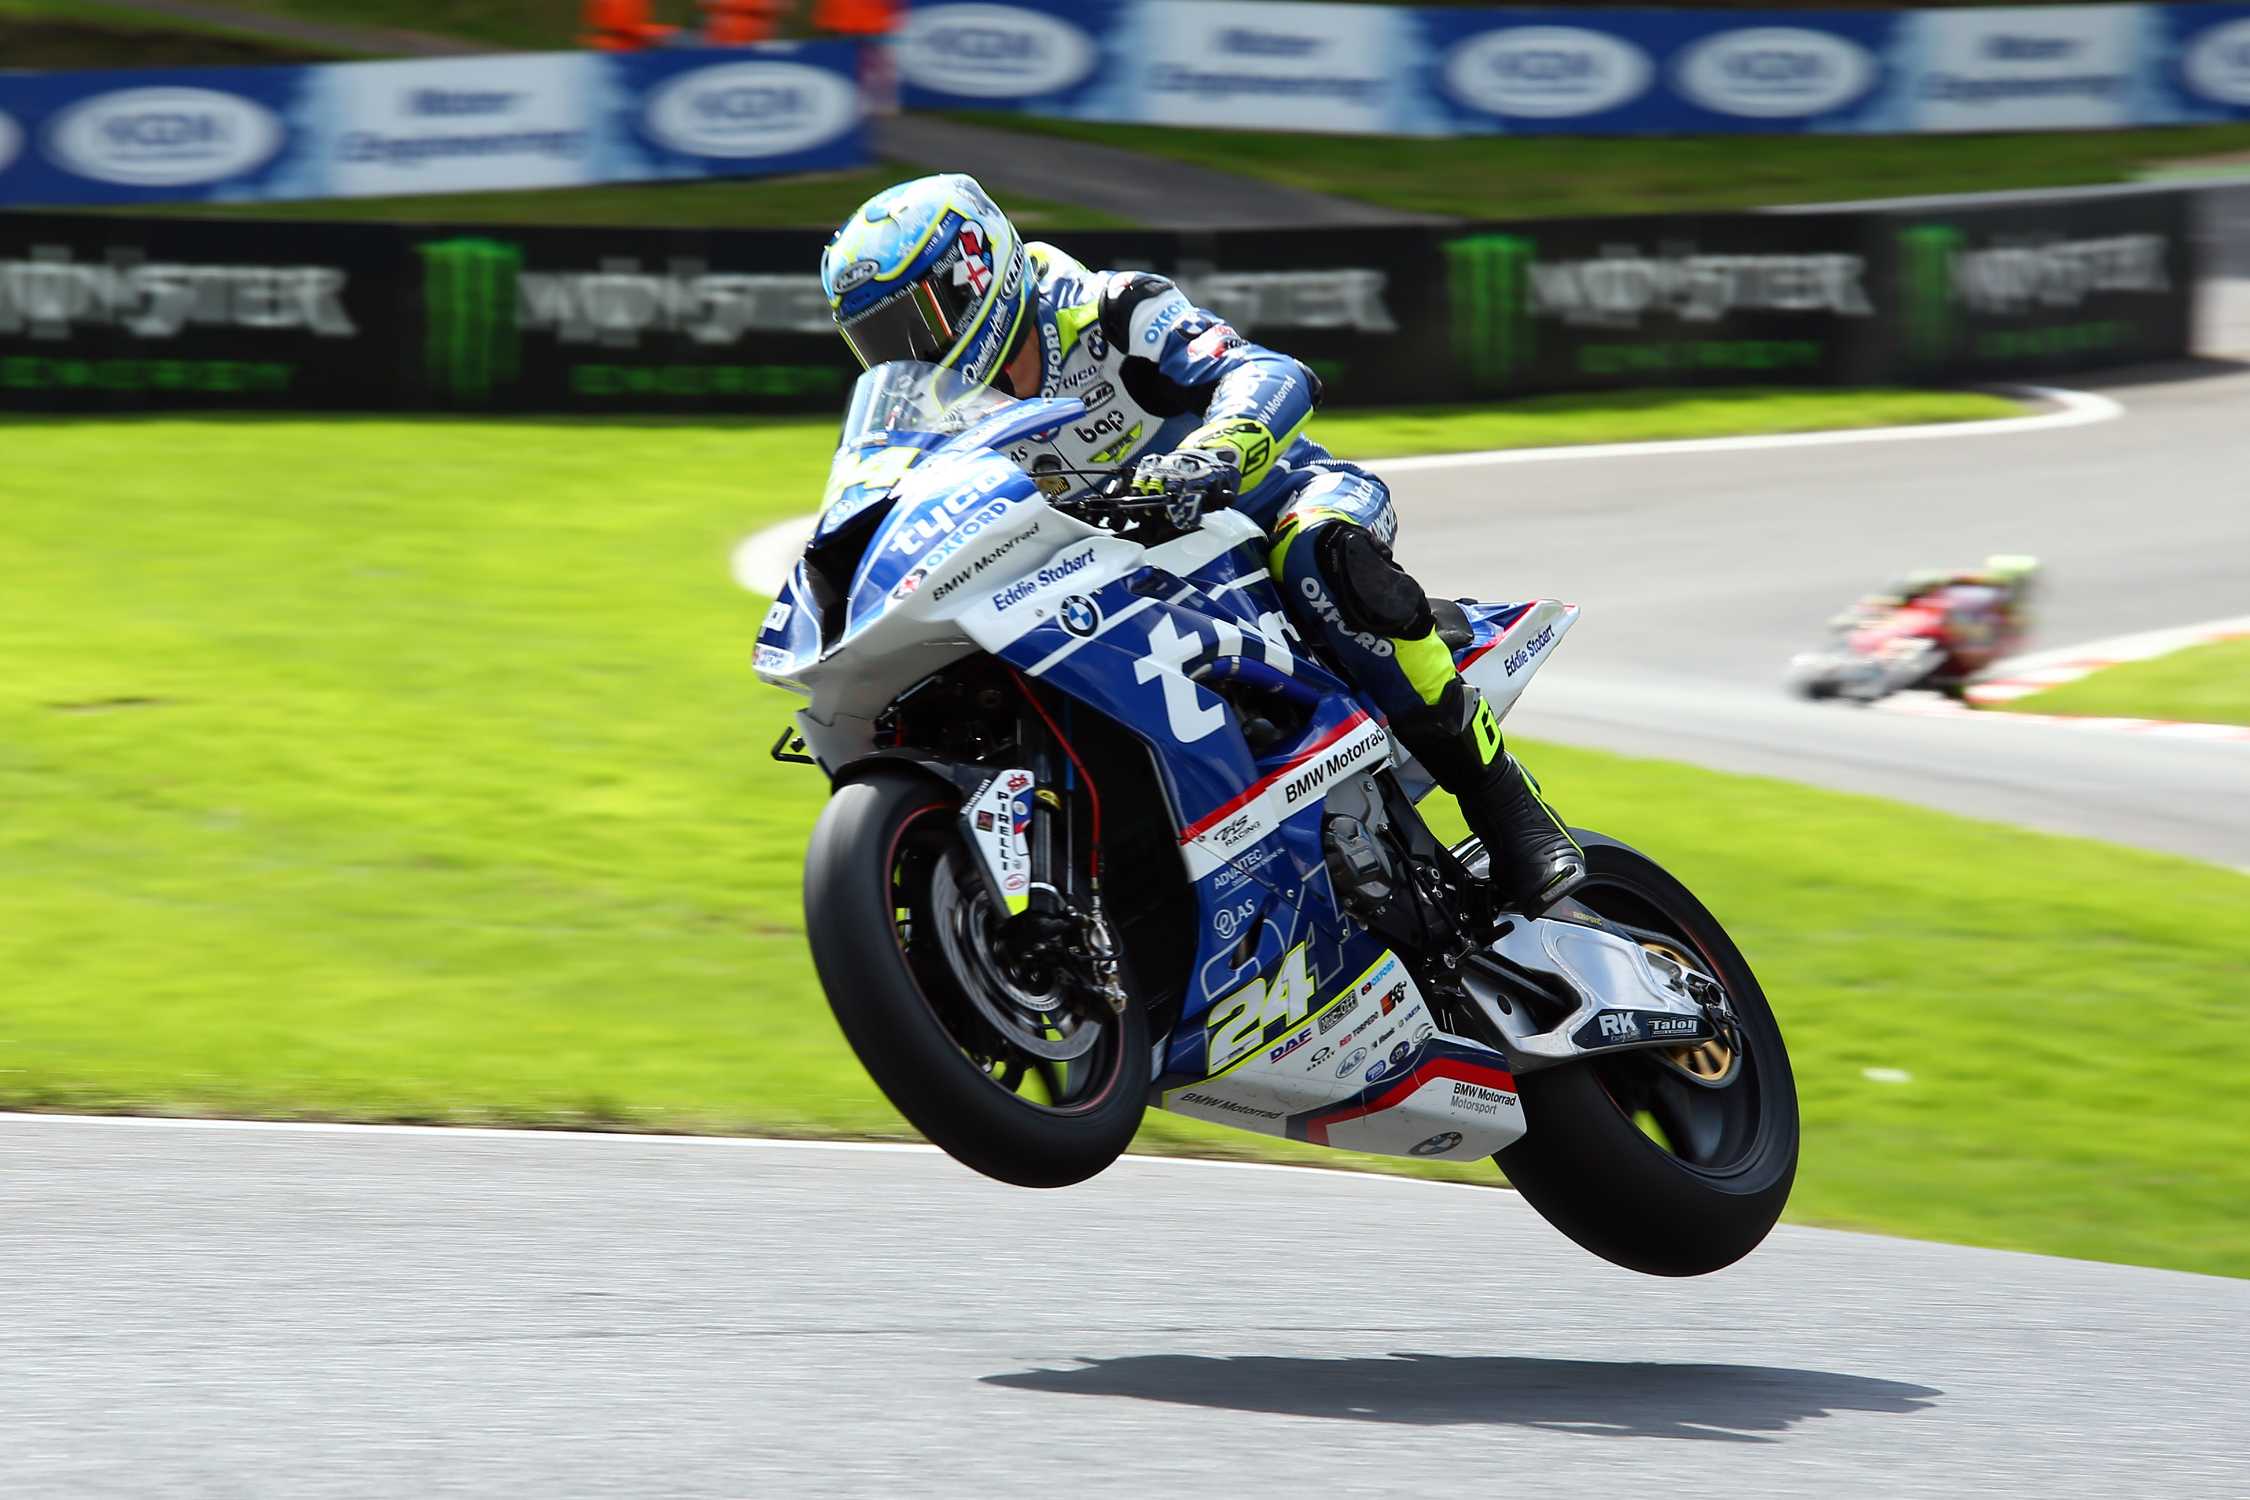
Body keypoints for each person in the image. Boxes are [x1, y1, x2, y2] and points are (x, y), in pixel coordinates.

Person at [819, 173, 1583, 913]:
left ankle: (1505, 803)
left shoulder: (1109, 308)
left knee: (1319, 552)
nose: (904, 355)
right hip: (1119, 576)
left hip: (1270, 505)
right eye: (878, 341)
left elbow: (1270, 371)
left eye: (913, 323)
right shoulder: (945, 420)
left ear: (976, 274)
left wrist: (1214, 455)